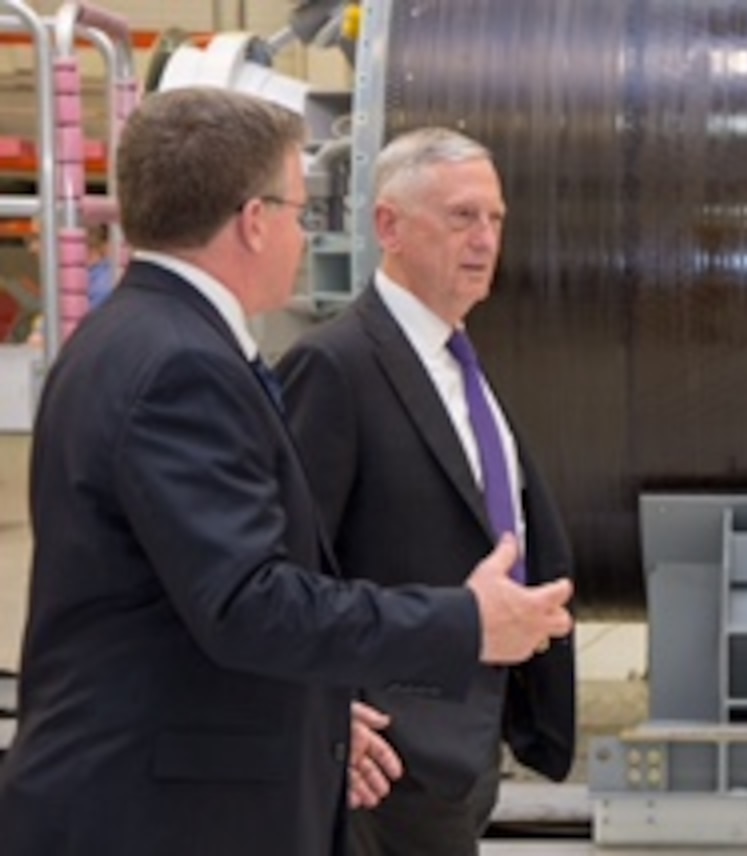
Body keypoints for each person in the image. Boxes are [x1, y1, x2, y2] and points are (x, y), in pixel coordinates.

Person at [0, 88, 573, 856]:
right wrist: (464, 622)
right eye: (301, 213)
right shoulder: (181, 366)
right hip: (159, 811)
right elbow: (249, 601)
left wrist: (323, 710)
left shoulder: (132, 339)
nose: (305, 237)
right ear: (252, 219)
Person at [276, 127, 576, 856]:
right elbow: (286, 565)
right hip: (380, 758)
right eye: (461, 217)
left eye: (495, 219)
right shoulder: (335, 365)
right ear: (389, 226)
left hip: (463, 743)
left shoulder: (457, 362)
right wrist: (323, 713)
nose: (484, 239)